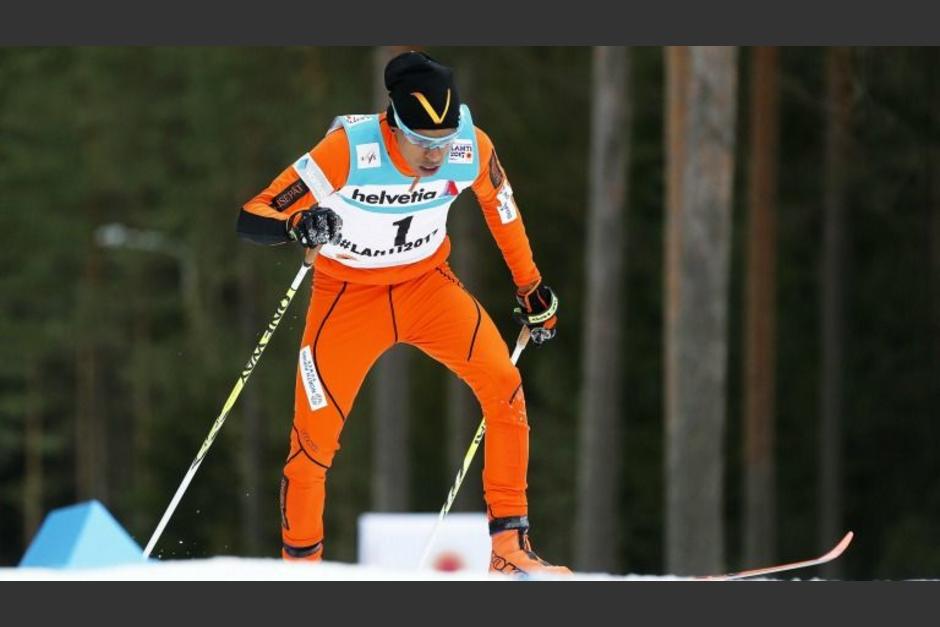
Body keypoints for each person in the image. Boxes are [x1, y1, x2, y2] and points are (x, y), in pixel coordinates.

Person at [236, 51, 569, 576]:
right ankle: (300, 571)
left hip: (427, 289)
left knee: (504, 385)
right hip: (347, 297)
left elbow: (503, 211)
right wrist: (297, 225)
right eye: (421, 142)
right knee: (312, 442)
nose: (435, 155)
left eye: (444, 139)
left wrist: (531, 289)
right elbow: (254, 213)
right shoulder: (349, 149)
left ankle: (509, 552)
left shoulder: (471, 146)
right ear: (391, 124)